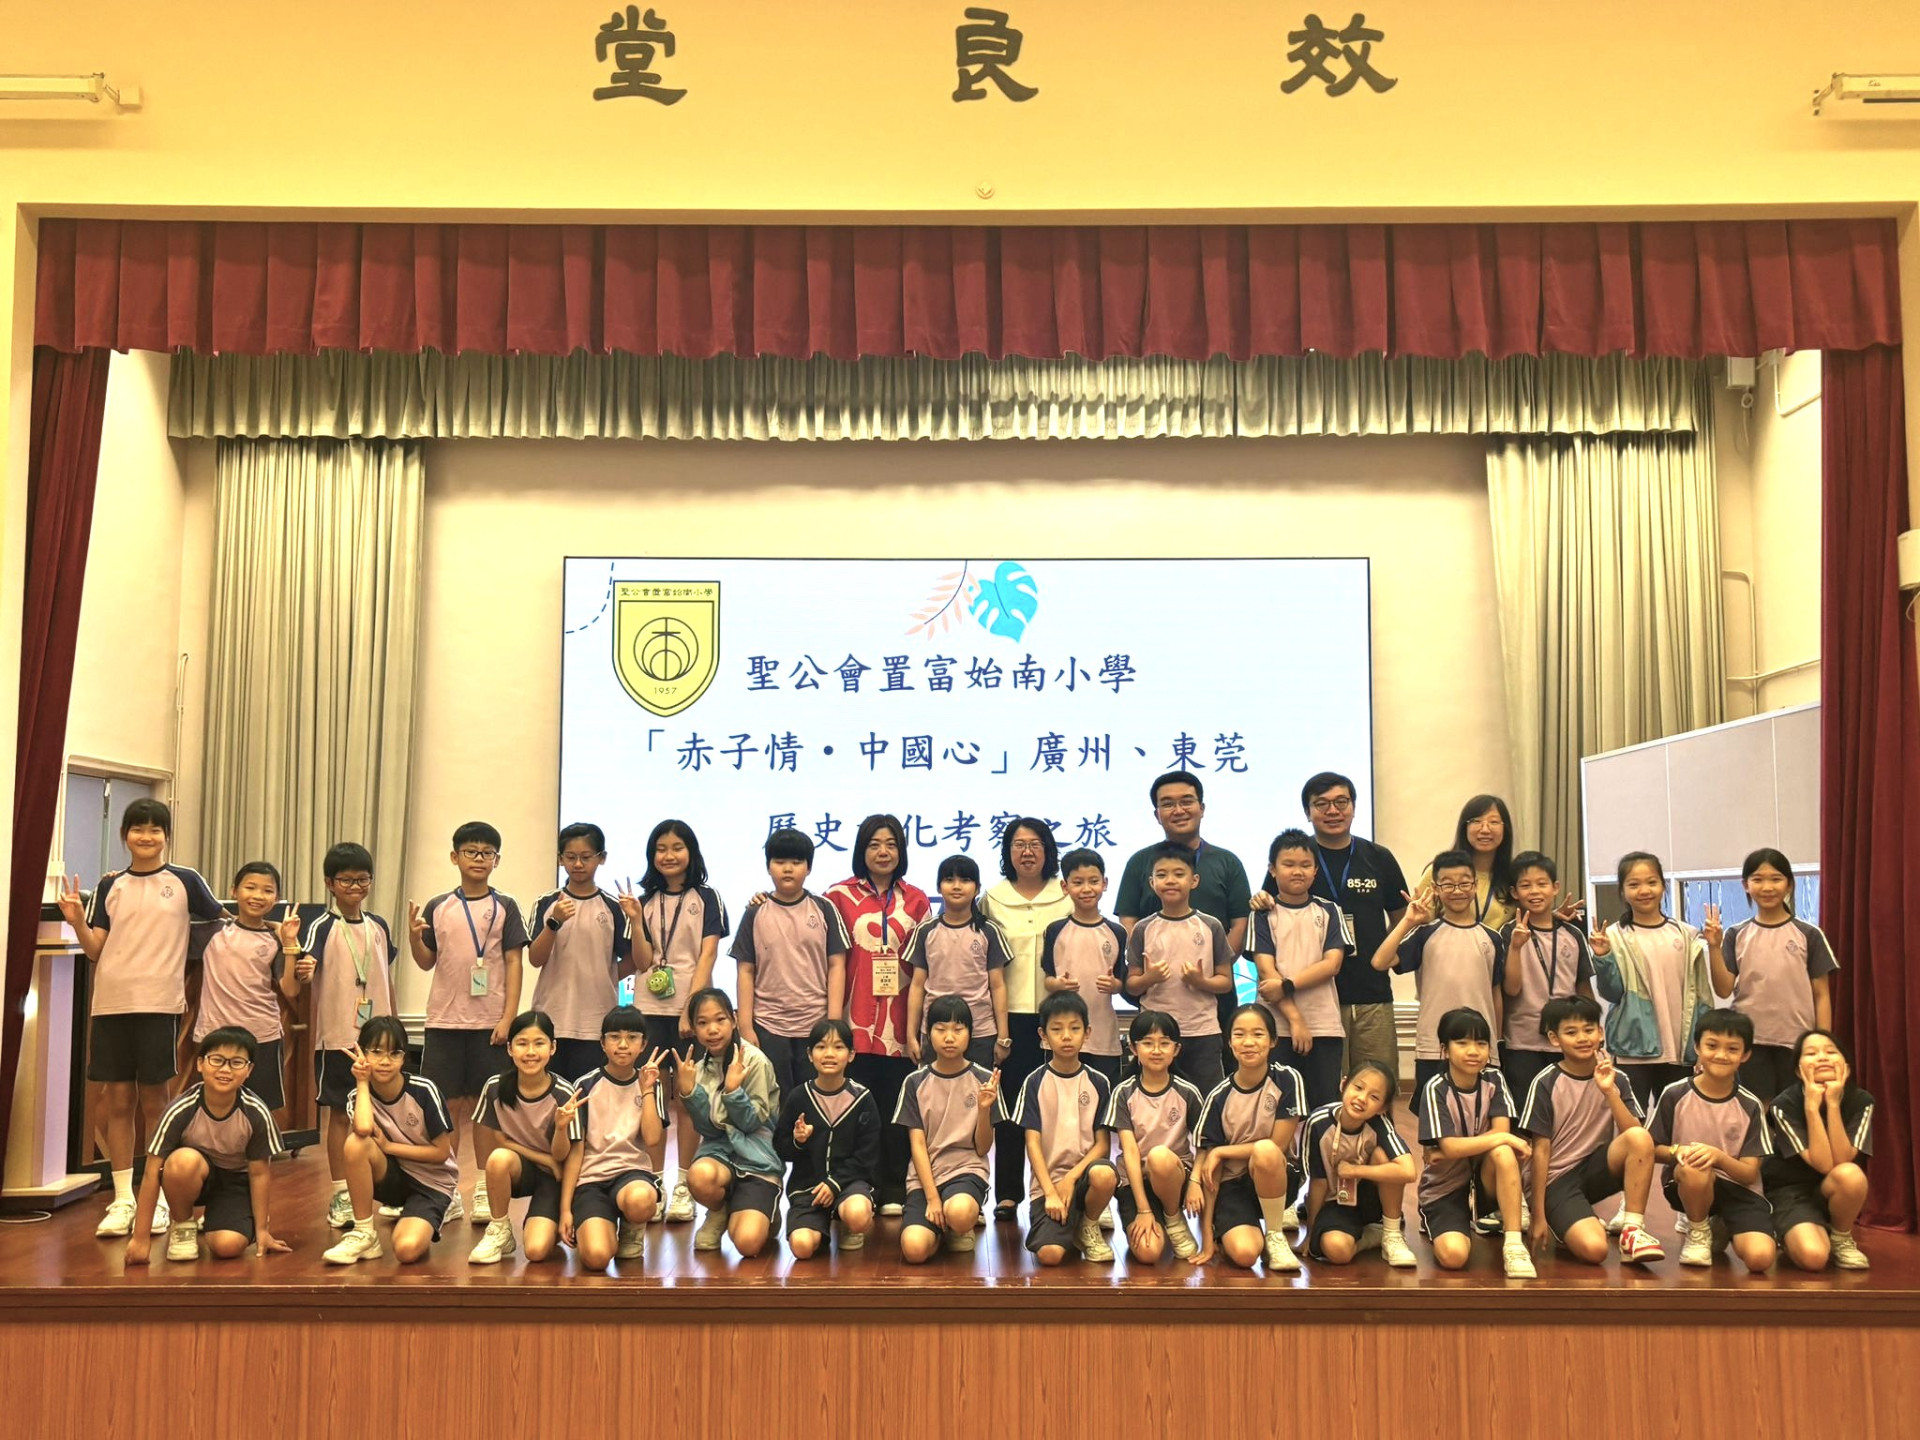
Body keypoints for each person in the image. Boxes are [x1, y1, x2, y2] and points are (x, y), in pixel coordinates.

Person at [55, 797, 226, 1241]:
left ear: (166, 836)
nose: (146, 836)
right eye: (137, 829)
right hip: (111, 1003)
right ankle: (123, 1199)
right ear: (124, 835)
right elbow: (96, 950)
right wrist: (76, 921)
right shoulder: (110, 884)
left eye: (155, 829)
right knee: (117, 1101)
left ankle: (160, 1196)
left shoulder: (185, 880)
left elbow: (224, 923)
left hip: (159, 1003)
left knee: (156, 1101)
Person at [409, 820, 529, 1226]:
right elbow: (425, 961)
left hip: (489, 1024)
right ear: (454, 857)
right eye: (471, 852)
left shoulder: (506, 906)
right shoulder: (438, 906)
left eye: (486, 853)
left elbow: (514, 962)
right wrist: (414, 937)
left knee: (485, 1109)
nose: (479, 859)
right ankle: (446, 1189)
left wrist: (508, 1018)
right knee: (446, 1108)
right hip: (444, 1022)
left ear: (497, 860)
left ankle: (481, 1188)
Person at [1266, 772, 1409, 1091]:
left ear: (1354, 807)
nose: (1333, 811)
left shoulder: (1378, 858)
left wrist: (1386, 958)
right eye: (1321, 804)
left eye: (1341, 802)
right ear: (1307, 812)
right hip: (1312, 998)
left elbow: (1401, 919)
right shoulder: (1296, 859)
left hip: (1371, 993)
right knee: (1325, 1091)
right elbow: (1269, 908)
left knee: (1377, 1086)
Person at [288, 842, 398, 1232]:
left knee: (383, 1111)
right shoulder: (321, 926)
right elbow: (305, 967)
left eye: (362, 879)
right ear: (330, 883)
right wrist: (303, 969)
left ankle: (386, 1188)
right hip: (338, 1037)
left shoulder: (379, 925)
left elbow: (384, 975)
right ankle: (340, 1192)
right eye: (346, 880)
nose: (355, 887)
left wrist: (394, 1027)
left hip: (380, 1039)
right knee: (340, 1113)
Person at [623, 818, 727, 1224]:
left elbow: (708, 955)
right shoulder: (645, 901)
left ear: (691, 852)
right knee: (651, 1097)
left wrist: (691, 1008)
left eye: (677, 847)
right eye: (661, 848)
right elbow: (642, 962)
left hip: (691, 1014)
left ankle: (683, 1182)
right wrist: (635, 921)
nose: (668, 855)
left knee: (686, 1099)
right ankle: (654, 1181)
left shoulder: (707, 897)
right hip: (649, 1011)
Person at [827, 814, 930, 1216]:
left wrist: (918, 1030)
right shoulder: (837, 896)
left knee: (895, 1109)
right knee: (854, 1110)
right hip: (854, 1021)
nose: (883, 852)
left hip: (900, 1024)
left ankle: (893, 1187)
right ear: (861, 850)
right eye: (874, 844)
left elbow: (924, 968)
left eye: (891, 844)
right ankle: (855, 1186)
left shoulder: (917, 900)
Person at [1516, 996, 1665, 1266]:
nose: (1583, 1038)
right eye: (1571, 1032)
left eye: (1588, 1029)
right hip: (1556, 1181)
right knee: (1595, 1250)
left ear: (1601, 1032)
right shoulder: (1546, 1082)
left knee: (1640, 1136)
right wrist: (1538, 1215)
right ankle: (1567, 1221)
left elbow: (1638, 1139)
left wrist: (1609, 1092)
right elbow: (1540, 1151)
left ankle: (1632, 1231)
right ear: (1554, 1038)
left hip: (1595, 1169)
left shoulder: (1618, 1079)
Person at [125, 1027, 288, 1265]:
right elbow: (151, 1173)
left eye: (236, 1062)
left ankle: (226, 1220)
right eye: (217, 1060)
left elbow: (259, 1173)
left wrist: (262, 1230)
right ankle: (183, 1224)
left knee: (227, 1246)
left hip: (235, 1183)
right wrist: (140, 1238)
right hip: (194, 1176)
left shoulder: (256, 1113)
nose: (225, 1069)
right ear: (200, 1064)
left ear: (249, 1070)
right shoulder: (180, 1109)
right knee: (182, 1162)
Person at [1115, 771, 1252, 1048]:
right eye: (1167, 804)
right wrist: (1145, 969)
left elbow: (1241, 923)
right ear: (1157, 814)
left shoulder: (1227, 862)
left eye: (1187, 801)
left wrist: (1215, 970)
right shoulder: (1140, 862)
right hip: (1157, 991)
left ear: (1202, 808)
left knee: (1214, 1064)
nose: (1178, 810)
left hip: (1213, 996)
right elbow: (1128, 921)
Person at [981, 818, 1072, 1224]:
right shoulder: (992, 899)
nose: (1027, 852)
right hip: (1010, 1017)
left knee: (1056, 1106)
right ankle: (1007, 1194)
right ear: (1008, 851)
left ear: (1048, 850)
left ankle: (1056, 1189)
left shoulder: (1066, 895)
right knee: (1011, 1105)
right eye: (1019, 844)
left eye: (1035, 844)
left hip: (1059, 1015)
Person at [322, 1015, 460, 1265]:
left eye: (394, 1053)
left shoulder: (424, 1090)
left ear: (404, 1057)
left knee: (406, 1250)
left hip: (432, 1184)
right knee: (356, 1143)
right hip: (393, 1177)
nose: (385, 1061)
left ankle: (423, 1215)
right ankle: (364, 1233)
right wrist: (362, 1082)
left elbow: (441, 1153)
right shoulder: (357, 1095)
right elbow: (363, 1129)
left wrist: (389, 1146)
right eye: (376, 1052)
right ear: (362, 1053)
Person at [1372, 850, 1503, 1112]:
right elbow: (1379, 962)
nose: (1457, 891)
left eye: (1464, 883)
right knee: (1433, 1119)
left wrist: (1496, 1042)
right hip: (1434, 1047)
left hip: (1481, 1047)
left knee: (1481, 1116)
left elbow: (1495, 993)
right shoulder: (1425, 934)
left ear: (1475, 885)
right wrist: (1408, 921)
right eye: (1448, 884)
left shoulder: (1493, 938)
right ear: (1435, 889)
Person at [1647, 1009, 1776, 1271]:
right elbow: (1651, 1149)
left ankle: (1721, 1222)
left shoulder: (1751, 1105)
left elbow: (1749, 1174)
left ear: (1745, 1055)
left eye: (1732, 1049)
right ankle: (1698, 1230)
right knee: (1695, 1167)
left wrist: (1719, 1157)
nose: (1721, 1055)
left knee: (1760, 1259)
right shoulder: (1674, 1094)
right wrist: (1678, 1151)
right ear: (1697, 1047)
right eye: (1712, 1045)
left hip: (1740, 1191)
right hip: (1689, 1183)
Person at [1710, 848, 1837, 1101]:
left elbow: (1821, 994)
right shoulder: (1736, 934)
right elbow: (1723, 990)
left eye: (1776, 879)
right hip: (1750, 1040)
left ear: (1789, 884)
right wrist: (1714, 946)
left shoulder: (1809, 934)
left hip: (1797, 1040)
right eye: (1758, 879)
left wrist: (1821, 1042)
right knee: (1759, 1108)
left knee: (1794, 1109)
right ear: (1746, 885)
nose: (1767, 887)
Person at [1416, 1008, 1534, 1278]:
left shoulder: (1494, 1079)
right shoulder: (1435, 1088)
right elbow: (1451, 1148)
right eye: (1462, 1043)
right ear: (1445, 1049)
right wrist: (1501, 1136)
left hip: (1484, 1180)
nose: (1473, 1051)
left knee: (1503, 1151)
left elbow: (1498, 1133)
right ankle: (1441, 1220)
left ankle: (1514, 1245)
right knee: (1454, 1257)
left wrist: (1497, 1138)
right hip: (1445, 1188)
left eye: (1481, 1043)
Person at [733, 827, 849, 1095]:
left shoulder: (824, 908)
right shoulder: (755, 912)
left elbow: (837, 965)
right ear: (768, 867)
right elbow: (745, 970)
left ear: (808, 868)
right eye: (780, 861)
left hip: (815, 1024)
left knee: (815, 1098)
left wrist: (832, 1024)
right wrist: (746, 1027)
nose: (788, 869)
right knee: (774, 1101)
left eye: (796, 862)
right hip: (768, 1025)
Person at [1589, 851, 1712, 1104]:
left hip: (1680, 1049)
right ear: (1622, 891)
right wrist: (1603, 957)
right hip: (1633, 1048)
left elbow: (1702, 996)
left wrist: (1703, 1043)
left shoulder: (1686, 934)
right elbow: (1612, 993)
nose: (1644, 890)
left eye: (1651, 882)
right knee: (1632, 1118)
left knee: (1677, 1117)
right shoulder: (1614, 936)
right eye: (1634, 884)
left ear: (1663, 886)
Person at [1194, 1004, 1310, 1271]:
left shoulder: (1287, 1079)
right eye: (1239, 1034)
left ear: (1273, 1040)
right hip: (1233, 1185)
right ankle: (1234, 1234)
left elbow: (1278, 1145)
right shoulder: (1218, 1096)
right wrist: (1207, 1237)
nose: (1248, 1042)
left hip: (1276, 1175)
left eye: (1258, 1034)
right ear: (1229, 1042)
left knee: (1266, 1150)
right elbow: (1211, 1172)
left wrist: (1222, 1151)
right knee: (1245, 1255)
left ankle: (1275, 1235)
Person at [896, 995, 1005, 1263]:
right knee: (914, 1250)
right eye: (940, 1029)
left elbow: (983, 1148)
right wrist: (932, 1198)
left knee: (960, 1213)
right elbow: (917, 1145)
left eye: (958, 1029)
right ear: (928, 1032)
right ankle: (940, 1232)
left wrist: (983, 1109)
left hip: (966, 1171)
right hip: (926, 1177)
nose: (949, 1037)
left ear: (970, 1034)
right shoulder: (914, 1082)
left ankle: (957, 1225)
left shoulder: (984, 1080)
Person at [559, 1007, 667, 1271]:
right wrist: (565, 1210)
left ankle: (631, 1227)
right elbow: (575, 1150)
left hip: (632, 1175)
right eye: (614, 1037)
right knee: (596, 1258)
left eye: (632, 1037)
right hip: (592, 1180)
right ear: (602, 1043)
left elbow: (653, 1139)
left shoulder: (651, 1083)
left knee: (641, 1201)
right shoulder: (585, 1085)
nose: (623, 1045)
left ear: (643, 1045)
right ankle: (601, 1225)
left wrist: (647, 1089)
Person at [467, 1010, 580, 1265]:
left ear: (552, 1048)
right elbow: (501, 1141)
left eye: (539, 1043)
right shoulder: (495, 1087)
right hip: (522, 1168)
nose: (530, 1052)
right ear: (509, 1049)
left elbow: (561, 1156)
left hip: (555, 1178)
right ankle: (500, 1229)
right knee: (498, 1159)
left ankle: (551, 1222)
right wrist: (545, 1159)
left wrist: (561, 1129)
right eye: (522, 1043)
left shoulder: (564, 1093)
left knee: (536, 1251)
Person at [1249, 828, 1349, 1116]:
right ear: (1272, 869)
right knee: (1277, 1108)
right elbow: (1266, 971)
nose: (1297, 871)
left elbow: (1332, 964)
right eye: (1288, 864)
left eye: (1305, 865)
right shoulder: (1262, 914)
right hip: (1275, 1028)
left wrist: (1287, 985)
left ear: (1315, 870)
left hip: (1324, 1025)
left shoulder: (1329, 911)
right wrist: (1295, 1020)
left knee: (1324, 1107)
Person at [527, 822, 637, 1082]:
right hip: (551, 1018)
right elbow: (535, 959)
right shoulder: (546, 903)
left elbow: (633, 960)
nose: (578, 864)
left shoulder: (613, 906)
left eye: (586, 857)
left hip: (597, 1021)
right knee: (551, 1095)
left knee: (589, 1095)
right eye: (570, 857)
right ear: (560, 859)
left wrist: (605, 975)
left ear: (602, 858)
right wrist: (553, 923)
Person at [677, 987, 782, 1257]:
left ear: (734, 1020)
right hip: (719, 1154)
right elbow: (707, 1129)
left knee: (747, 1243)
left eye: (720, 1020)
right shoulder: (699, 1068)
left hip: (757, 1158)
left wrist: (734, 1092)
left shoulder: (755, 1060)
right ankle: (720, 1211)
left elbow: (752, 1123)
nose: (712, 1030)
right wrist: (690, 1093)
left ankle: (765, 1210)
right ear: (694, 1029)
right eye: (702, 1023)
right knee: (698, 1176)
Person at [191, 860, 302, 1113]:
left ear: (277, 898)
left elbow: (291, 989)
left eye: (267, 890)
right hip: (215, 1034)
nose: (258, 896)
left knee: (260, 1111)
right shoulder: (212, 931)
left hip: (262, 1036)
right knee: (212, 1110)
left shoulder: (277, 938)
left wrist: (290, 943)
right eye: (250, 887)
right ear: (234, 891)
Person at [1017, 992, 1118, 1265]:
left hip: (1083, 1178)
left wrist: (1071, 1178)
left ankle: (1088, 1223)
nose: (1066, 1036)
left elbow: (1102, 1145)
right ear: (1043, 1035)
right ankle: (1068, 1228)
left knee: (1104, 1174)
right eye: (1056, 1029)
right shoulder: (1034, 1082)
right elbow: (1032, 1144)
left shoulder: (1098, 1082)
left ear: (1087, 1033)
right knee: (1049, 1256)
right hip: (1048, 1187)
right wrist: (1051, 1192)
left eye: (1074, 1028)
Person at [1124, 843, 1235, 1092]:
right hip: (1156, 1034)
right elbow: (1131, 985)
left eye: (1179, 874)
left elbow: (1226, 981)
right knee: (1155, 1098)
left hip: (1202, 1031)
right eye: (1162, 875)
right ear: (1152, 882)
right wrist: (1149, 978)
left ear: (1194, 881)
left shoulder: (1211, 926)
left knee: (1206, 1101)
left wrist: (1201, 982)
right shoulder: (1143, 928)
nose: (1170, 880)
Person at [1764, 1028, 1873, 1271]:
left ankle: (1841, 1236)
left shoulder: (1861, 1101)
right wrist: (1812, 1108)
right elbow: (1823, 1164)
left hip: (1831, 1187)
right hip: (1789, 1191)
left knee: (1850, 1175)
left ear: (1846, 1066)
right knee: (1813, 1257)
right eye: (1811, 1053)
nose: (1822, 1057)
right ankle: (1783, 1229)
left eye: (1830, 1051)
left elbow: (1839, 1163)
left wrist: (1832, 1104)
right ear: (1798, 1070)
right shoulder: (1783, 1104)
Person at [773, 1016, 880, 1259]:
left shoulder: (862, 1098)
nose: (829, 1054)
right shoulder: (799, 1096)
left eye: (838, 1047)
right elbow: (781, 1147)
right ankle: (819, 1226)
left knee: (858, 1215)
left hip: (849, 1183)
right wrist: (798, 1141)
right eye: (821, 1047)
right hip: (808, 1187)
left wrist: (835, 1183)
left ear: (851, 1055)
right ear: (809, 1055)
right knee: (801, 1248)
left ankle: (846, 1221)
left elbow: (868, 1156)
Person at [1106, 1010, 1206, 1264]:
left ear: (1176, 1049)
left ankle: (1173, 1217)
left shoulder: (1188, 1092)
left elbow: (1206, 1144)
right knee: (1148, 1253)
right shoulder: (1123, 1093)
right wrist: (1143, 1209)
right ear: (1133, 1048)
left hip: (1174, 1176)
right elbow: (1130, 1152)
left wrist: (1195, 1181)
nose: (1156, 1050)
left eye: (1164, 1043)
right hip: (1136, 1182)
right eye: (1148, 1043)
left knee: (1159, 1157)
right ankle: (1154, 1215)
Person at [1498, 850, 1594, 1102]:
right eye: (1526, 886)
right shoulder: (1507, 933)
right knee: (1527, 1107)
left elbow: (1584, 988)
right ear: (1515, 892)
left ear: (1555, 888)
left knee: (1567, 1105)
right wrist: (1516, 947)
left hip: (1568, 1038)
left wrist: (1593, 1031)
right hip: (1522, 1041)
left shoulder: (1573, 935)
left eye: (1542, 884)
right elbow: (1511, 989)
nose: (1535, 891)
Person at [1301, 1061, 1417, 1268]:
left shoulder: (1379, 1124)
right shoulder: (1318, 1122)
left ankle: (1391, 1233)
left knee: (1383, 1157)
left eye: (1374, 1097)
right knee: (1337, 1250)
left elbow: (1408, 1171)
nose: (1362, 1099)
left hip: (1371, 1199)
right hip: (1337, 1202)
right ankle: (1371, 1237)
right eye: (1358, 1088)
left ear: (1382, 1108)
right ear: (1343, 1084)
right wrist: (1310, 1234)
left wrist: (1355, 1170)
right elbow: (1318, 1182)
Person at [904, 854, 1012, 1069]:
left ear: (977, 888)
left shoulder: (989, 931)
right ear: (938, 887)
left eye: (965, 880)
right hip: (935, 1030)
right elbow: (917, 986)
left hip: (980, 1032)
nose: (956, 886)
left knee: (979, 1089)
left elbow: (998, 985)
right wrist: (911, 1035)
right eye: (949, 880)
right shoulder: (925, 931)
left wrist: (1003, 1037)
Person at [1040, 847, 1128, 1088]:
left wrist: (1114, 985)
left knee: (1103, 1095)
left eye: (1094, 881)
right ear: (1065, 887)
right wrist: (1058, 984)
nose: (1087, 889)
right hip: (1062, 1033)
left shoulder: (1117, 932)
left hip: (1102, 1032)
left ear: (1105, 883)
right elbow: (1048, 979)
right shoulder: (1055, 930)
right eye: (1078, 883)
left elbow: (1122, 983)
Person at [1415, 795, 1521, 934]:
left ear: (1505, 829)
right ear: (1465, 827)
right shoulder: (1439, 871)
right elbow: (1417, 923)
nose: (1485, 829)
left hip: (1497, 948)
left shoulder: (1513, 876)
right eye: (1476, 821)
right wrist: (1421, 919)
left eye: (1494, 822)